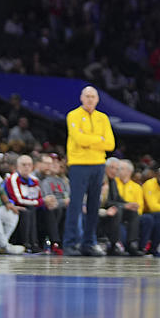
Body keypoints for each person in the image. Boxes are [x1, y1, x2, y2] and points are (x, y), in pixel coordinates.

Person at [64, 85, 114, 257]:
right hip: (78, 164)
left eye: (93, 96)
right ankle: (70, 243)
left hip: (98, 165)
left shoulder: (103, 118)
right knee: (76, 205)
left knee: (94, 206)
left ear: (98, 99)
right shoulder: (73, 115)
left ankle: (89, 243)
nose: (90, 99)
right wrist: (98, 140)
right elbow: (78, 139)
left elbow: (110, 144)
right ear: (81, 98)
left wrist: (89, 140)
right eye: (87, 96)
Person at [5, 154, 60, 253]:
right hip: (16, 207)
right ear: (18, 167)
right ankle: (29, 244)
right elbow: (19, 200)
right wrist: (42, 201)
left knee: (49, 210)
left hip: (32, 205)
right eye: (24, 165)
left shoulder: (34, 180)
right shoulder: (13, 179)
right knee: (30, 210)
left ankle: (55, 243)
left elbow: (38, 198)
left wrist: (47, 203)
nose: (26, 167)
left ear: (32, 167)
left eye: (29, 165)